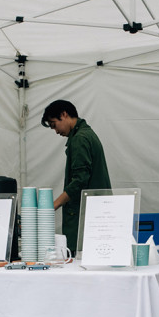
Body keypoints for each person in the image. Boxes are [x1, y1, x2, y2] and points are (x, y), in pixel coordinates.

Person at [41, 100, 111, 252]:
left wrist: (54, 205)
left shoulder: (79, 139)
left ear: (64, 114)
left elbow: (79, 181)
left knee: (78, 258)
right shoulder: (88, 134)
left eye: (54, 124)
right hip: (98, 210)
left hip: (86, 214)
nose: (56, 131)